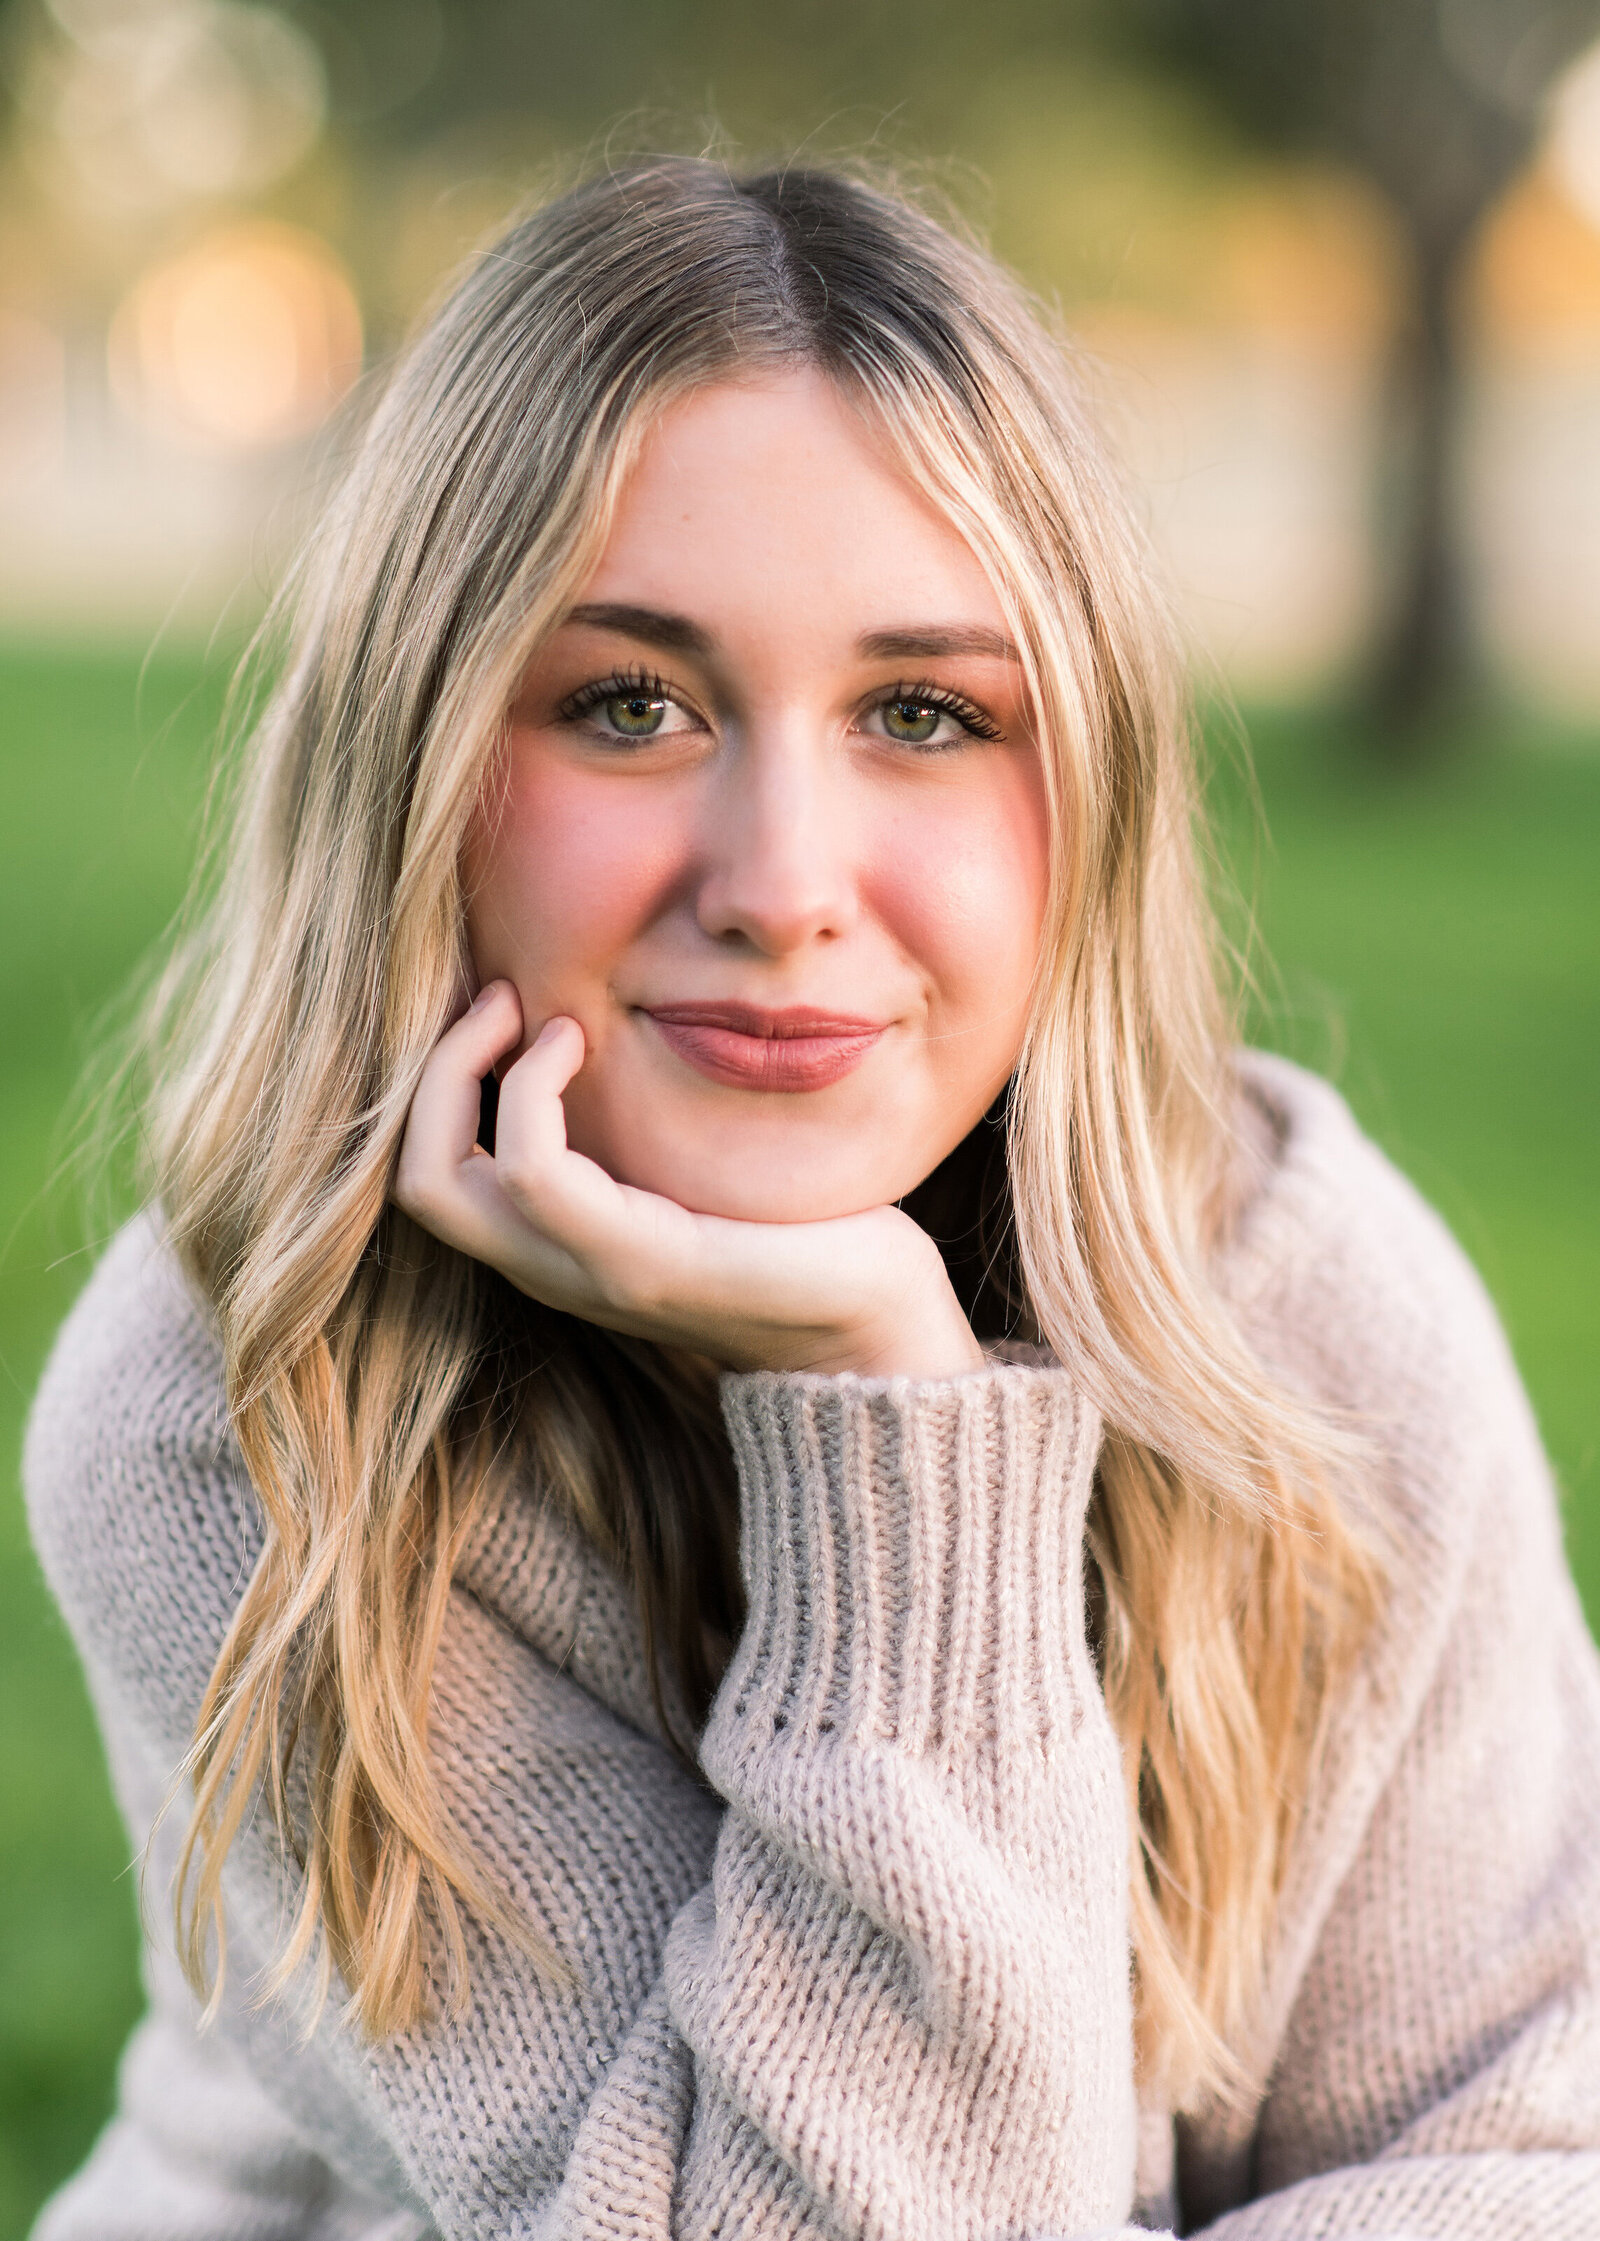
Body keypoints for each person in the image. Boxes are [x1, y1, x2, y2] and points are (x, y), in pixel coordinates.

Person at [23, 158, 1600, 2241]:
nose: (779, 882)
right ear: (415, 773)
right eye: (626, 704)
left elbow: (1527, 2157)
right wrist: (891, 1401)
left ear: (1087, 803)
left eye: (923, 713)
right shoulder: (239, 1404)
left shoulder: (1299, 1310)